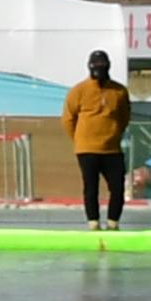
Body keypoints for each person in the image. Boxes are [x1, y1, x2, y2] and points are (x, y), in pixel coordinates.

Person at [64, 49, 131, 232]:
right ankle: (93, 223)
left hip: (112, 149)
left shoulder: (119, 91)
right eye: (95, 65)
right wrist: (79, 140)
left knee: (117, 188)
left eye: (102, 65)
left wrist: (114, 133)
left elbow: (124, 117)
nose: (98, 69)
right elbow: (68, 119)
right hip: (86, 149)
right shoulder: (79, 91)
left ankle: (113, 223)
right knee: (90, 188)